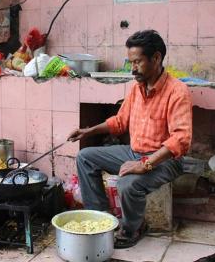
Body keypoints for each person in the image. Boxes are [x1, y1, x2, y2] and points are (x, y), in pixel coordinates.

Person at [68, 30, 193, 249]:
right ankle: (102, 219)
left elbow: (181, 140)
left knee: (127, 184)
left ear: (156, 58)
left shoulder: (177, 91)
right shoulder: (137, 88)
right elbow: (119, 121)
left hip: (165, 161)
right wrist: (88, 131)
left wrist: (144, 164)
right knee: (85, 157)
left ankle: (132, 228)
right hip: (134, 152)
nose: (132, 68)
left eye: (137, 62)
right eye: (130, 62)